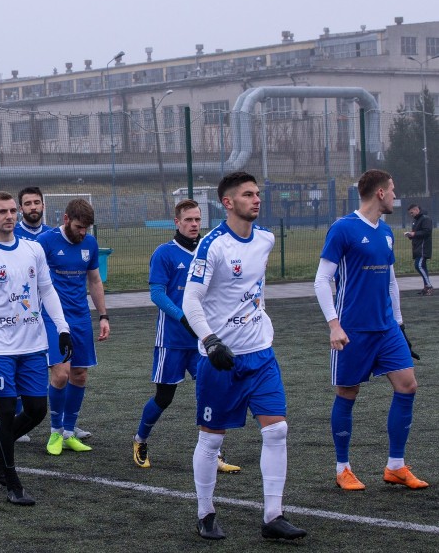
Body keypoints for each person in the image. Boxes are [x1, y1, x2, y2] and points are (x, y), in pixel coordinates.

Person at [182, 172, 306, 541]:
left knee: (278, 430)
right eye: (248, 195)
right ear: (228, 202)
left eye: (257, 194)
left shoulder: (265, 239)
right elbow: (191, 300)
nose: (256, 200)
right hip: (221, 361)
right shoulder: (213, 245)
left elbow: (254, 290)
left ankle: (273, 516)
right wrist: (212, 341)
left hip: (261, 357)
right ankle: (205, 513)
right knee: (211, 440)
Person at [314, 169, 427, 492]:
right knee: (348, 393)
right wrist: (334, 324)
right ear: (379, 193)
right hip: (353, 330)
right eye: (392, 190)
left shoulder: (387, 232)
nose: (395, 196)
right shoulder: (343, 229)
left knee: (407, 386)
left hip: (387, 328)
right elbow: (323, 280)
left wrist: (400, 323)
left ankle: (395, 466)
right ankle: (343, 468)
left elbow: (390, 280)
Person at [0, 191, 73, 505]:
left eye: (12, 210)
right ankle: (12, 481)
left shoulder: (33, 249)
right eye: (2, 212)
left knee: (37, 410)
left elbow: (47, 290)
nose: (9, 216)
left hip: (33, 344)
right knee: (7, 415)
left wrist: (62, 328)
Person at [133, 200, 241, 474]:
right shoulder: (164, 253)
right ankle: (140, 440)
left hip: (203, 341)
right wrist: (184, 317)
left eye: (197, 219)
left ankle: (213, 454)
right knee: (164, 397)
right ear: (177, 222)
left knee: (213, 391)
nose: (194, 224)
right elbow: (157, 294)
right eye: (188, 220)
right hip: (171, 339)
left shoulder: (209, 250)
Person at [37, 199, 109, 455]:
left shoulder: (89, 243)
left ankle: (69, 432)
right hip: (53, 318)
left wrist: (103, 316)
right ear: (66, 219)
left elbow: (95, 281)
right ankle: (55, 432)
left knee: (80, 375)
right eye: (79, 227)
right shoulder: (45, 242)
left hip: (80, 318)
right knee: (61, 375)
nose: (83, 233)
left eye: (87, 228)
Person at [404, 203, 433, 296]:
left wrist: (414, 234)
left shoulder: (425, 219)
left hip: (423, 248)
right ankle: (426, 287)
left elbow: (427, 231)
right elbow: (416, 233)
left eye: (412, 213)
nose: (411, 215)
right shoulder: (416, 221)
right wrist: (410, 235)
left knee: (418, 265)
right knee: (422, 266)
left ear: (416, 210)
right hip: (417, 247)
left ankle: (428, 286)